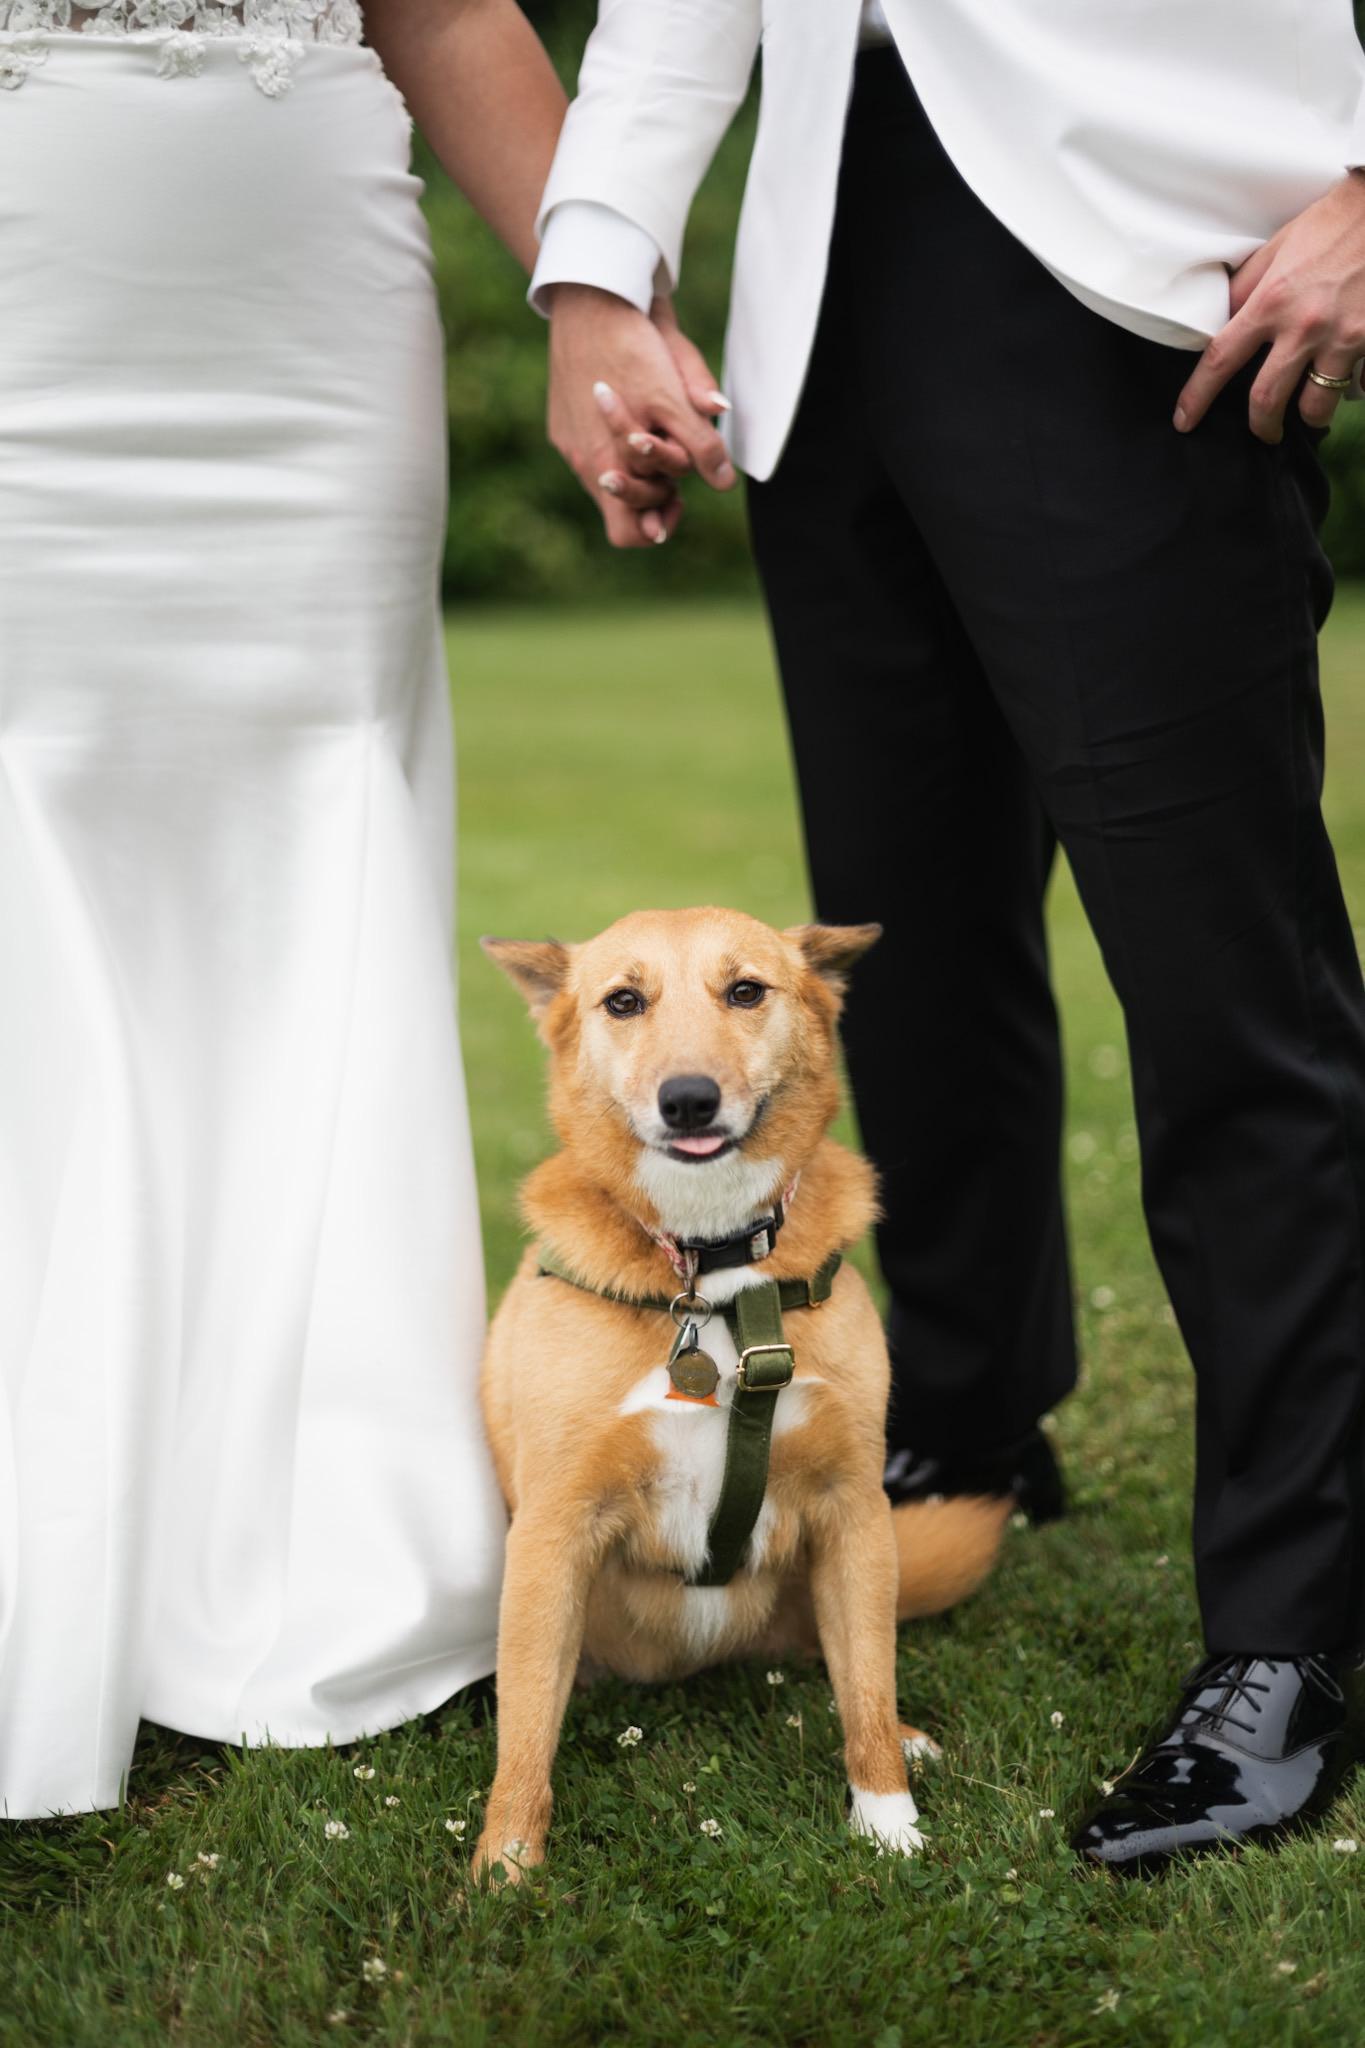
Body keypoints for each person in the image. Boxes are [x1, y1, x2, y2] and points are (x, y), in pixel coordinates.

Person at [530, 0, 1365, 1872]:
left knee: (1226, 995)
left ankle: (1292, 1625)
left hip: (1139, 269)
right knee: (905, 974)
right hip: (821, 286)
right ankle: (973, 1422)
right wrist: (598, 267)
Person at [0, 0, 564, 1821]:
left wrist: (601, 294)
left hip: (303, 302)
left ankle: (323, 1531)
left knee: (321, 848)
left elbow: (448, 10)